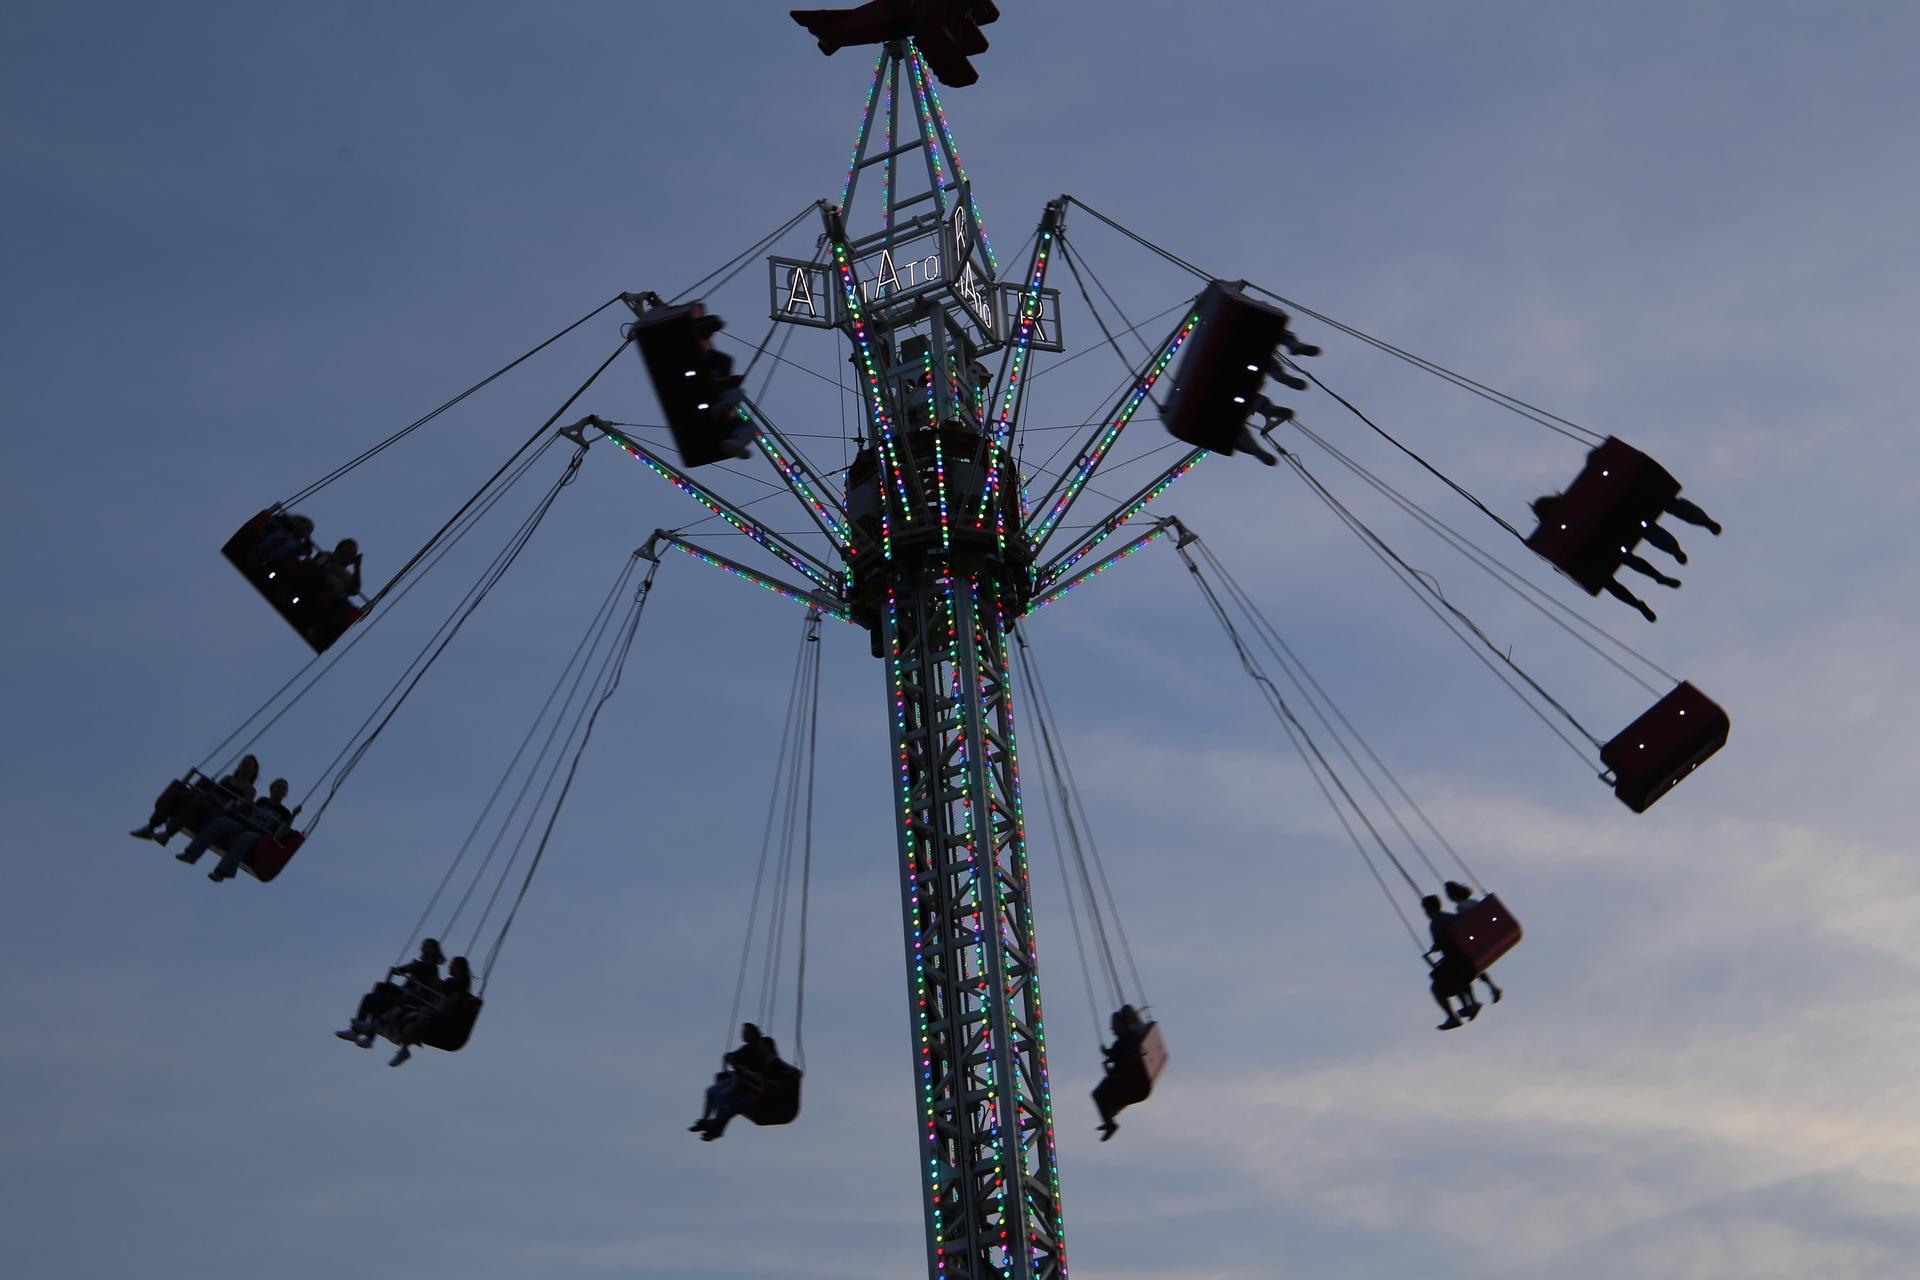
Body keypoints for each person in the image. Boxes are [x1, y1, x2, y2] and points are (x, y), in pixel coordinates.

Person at [175, 778, 298, 882]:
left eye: (283, 788)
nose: (279, 790)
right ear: (272, 788)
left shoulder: (284, 813)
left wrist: (293, 816)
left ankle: (222, 871)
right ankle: (191, 853)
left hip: (260, 835)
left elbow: (281, 833)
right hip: (245, 825)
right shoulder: (262, 801)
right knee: (221, 822)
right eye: (277, 786)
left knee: (246, 837)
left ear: (285, 794)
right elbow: (248, 812)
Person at [337, 939, 445, 1051]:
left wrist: (409, 973)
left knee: (374, 999)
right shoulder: (419, 965)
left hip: (411, 999)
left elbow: (429, 987)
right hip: (403, 993)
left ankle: (363, 1033)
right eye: (424, 947)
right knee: (374, 994)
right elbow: (402, 970)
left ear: (434, 951)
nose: (424, 949)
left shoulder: (431, 968)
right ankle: (361, 1033)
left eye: (428, 947)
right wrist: (402, 970)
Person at [131, 756, 258, 846]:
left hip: (218, 811)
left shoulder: (249, 789)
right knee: (176, 795)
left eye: (248, 764)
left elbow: (244, 805)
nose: (244, 766)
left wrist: (223, 801)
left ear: (253, 770)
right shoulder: (228, 778)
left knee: (196, 804)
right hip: (208, 800)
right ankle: (151, 826)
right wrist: (213, 795)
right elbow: (214, 790)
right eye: (243, 763)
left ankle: (167, 834)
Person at [691, 1023, 783, 1141]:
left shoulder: (763, 1055)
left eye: (746, 1033)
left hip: (747, 1082)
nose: (743, 1035)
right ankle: (705, 1120)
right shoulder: (745, 1049)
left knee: (722, 1096)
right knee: (711, 1091)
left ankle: (716, 1126)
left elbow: (762, 1073)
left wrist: (747, 1072)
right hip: (739, 1077)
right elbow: (734, 1058)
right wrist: (729, 1060)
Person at [1423, 894, 1480, 1030]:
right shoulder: (1451, 917)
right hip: (1467, 961)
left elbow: (1443, 943)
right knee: (1452, 974)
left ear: (1429, 910)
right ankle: (1469, 1005)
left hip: (1458, 963)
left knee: (1437, 984)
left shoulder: (1435, 924)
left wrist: (1436, 947)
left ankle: (1453, 1016)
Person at [1093, 1004, 1150, 1141]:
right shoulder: (1136, 1033)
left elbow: (1117, 1052)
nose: (1113, 1031)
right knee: (1108, 1095)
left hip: (1133, 1079)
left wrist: (1107, 1053)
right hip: (1136, 1080)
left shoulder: (1128, 1037)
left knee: (1099, 1094)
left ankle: (1109, 1122)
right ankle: (1109, 1118)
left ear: (1121, 1024)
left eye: (1114, 1026)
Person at [1443, 881, 1504, 1006]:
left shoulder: (1461, 907)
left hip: (1476, 938)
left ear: (1453, 895)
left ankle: (1480, 996)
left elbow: (1466, 923)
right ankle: (1492, 988)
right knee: (1477, 967)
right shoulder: (1474, 902)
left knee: (1468, 966)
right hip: (1485, 934)